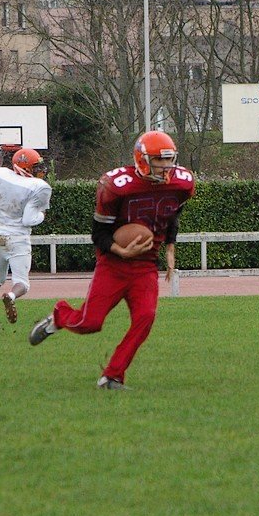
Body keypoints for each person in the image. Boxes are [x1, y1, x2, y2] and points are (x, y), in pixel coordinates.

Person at [28, 131, 195, 389]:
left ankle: (112, 375)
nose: (167, 167)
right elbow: (99, 234)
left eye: (170, 160)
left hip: (146, 265)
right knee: (89, 323)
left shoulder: (181, 183)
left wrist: (170, 246)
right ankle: (60, 316)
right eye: (160, 161)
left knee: (145, 318)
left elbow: (172, 214)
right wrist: (121, 251)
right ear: (142, 160)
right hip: (114, 264)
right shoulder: (115, 186)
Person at [0, 147, 51, 332]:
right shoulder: (39, 187)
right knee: (22, 284)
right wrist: (42, 215)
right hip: (18, 238)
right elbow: (28, 219)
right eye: (35, 167)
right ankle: (11, 295)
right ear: (25, 167)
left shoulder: (1, 174)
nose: (40, 170)